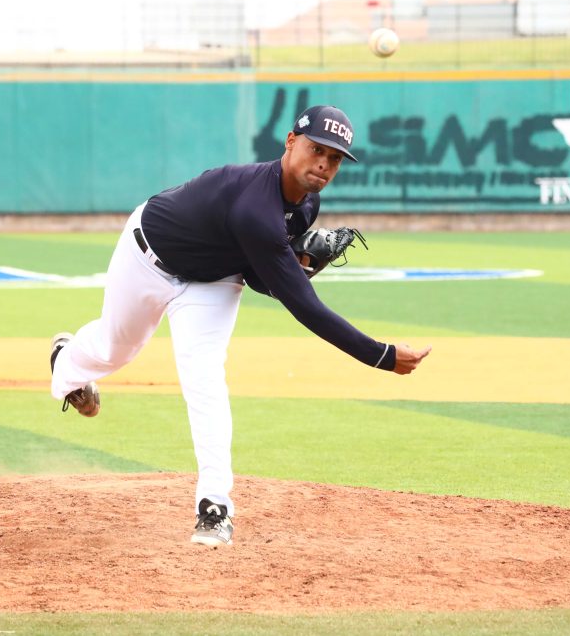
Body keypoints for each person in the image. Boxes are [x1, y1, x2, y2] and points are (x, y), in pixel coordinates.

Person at [49, 105, 431, 547]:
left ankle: (214, 507)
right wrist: (380, 355)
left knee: (205, 378)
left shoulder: (307, 205)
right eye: (316, 149)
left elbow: (256, 276)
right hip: (147, 256)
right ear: (291, 142)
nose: (324, 164)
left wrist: (295, 264)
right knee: (115, 350)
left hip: (213, 279)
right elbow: (302, 306)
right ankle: (67, 361)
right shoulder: (255, 205)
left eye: (335, 157)